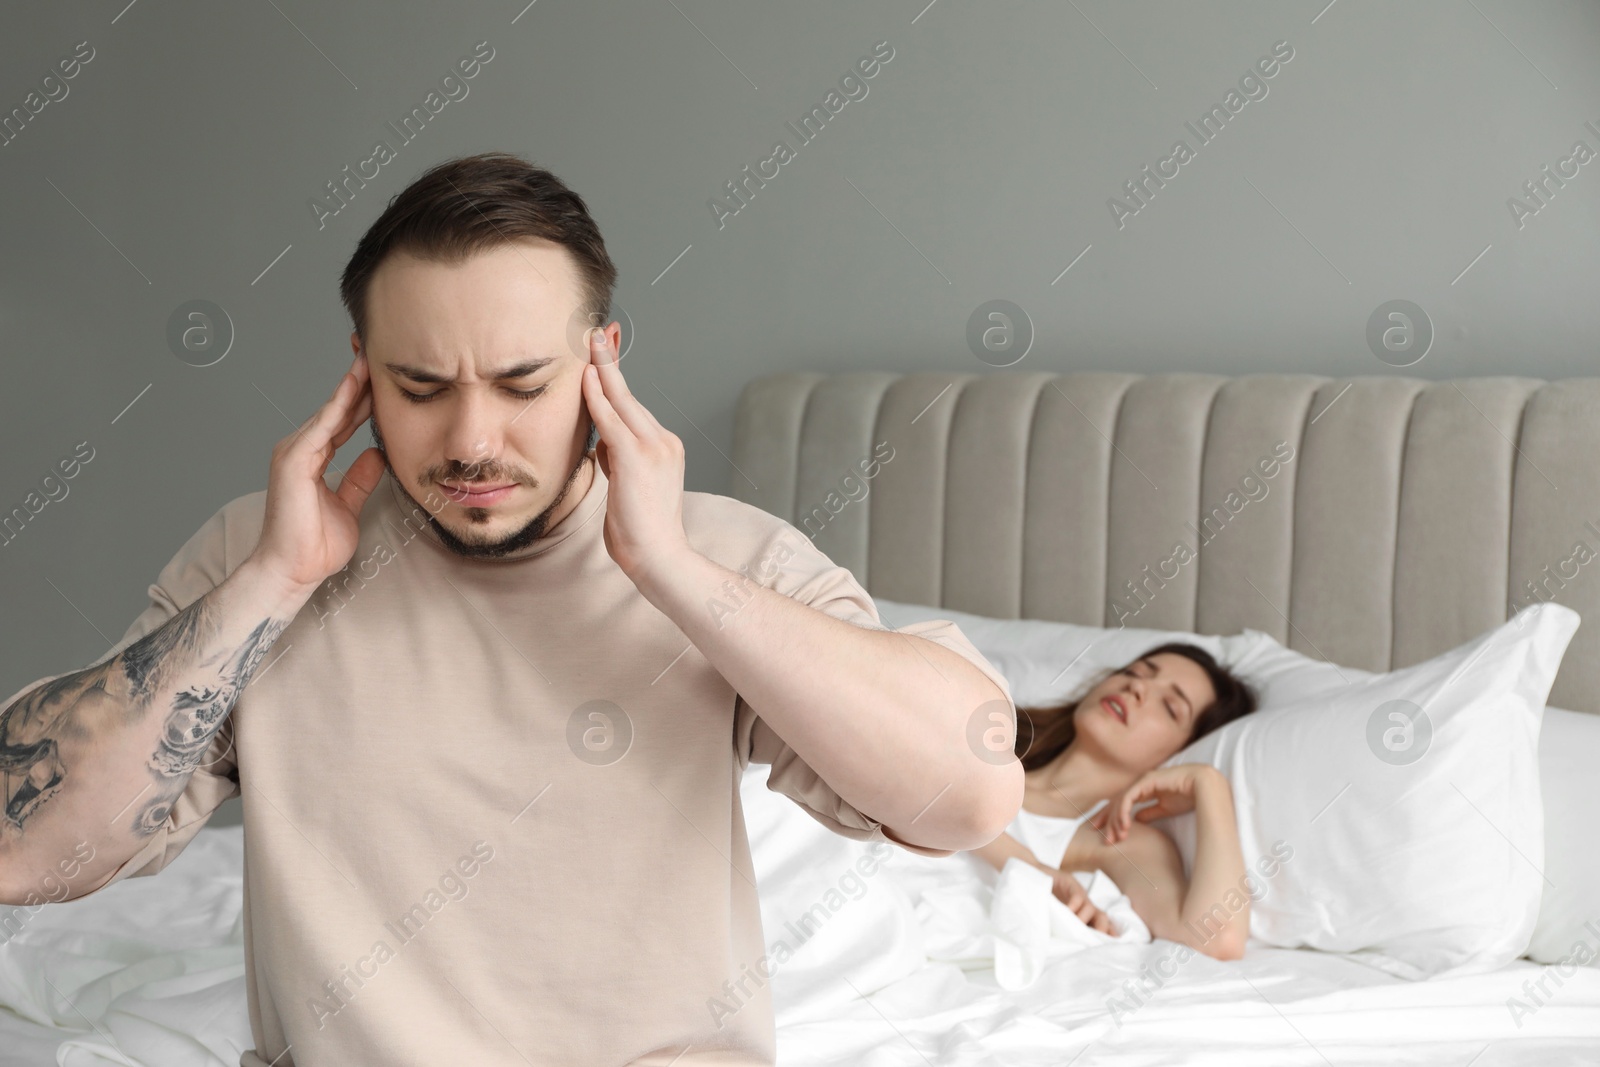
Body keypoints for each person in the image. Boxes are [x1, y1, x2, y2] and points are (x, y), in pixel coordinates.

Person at [0, 152, 1025, 1066]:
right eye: (421, 386)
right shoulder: (259, 558)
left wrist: (667, 567)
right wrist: (273, 580)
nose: (471, 439)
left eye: (522, 384)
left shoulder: (722, 555)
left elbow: (970, 797)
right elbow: (22, 849)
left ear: (602, 361)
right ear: (361, 374)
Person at [969, 643, 1257, 960]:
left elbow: (1217, 940)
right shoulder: (984, 736)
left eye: (1170, 707)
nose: (1136, 687)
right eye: (1135, 672)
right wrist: (1032, 865)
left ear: (1181, 751)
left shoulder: (1113, 836)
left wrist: (1209, 783)